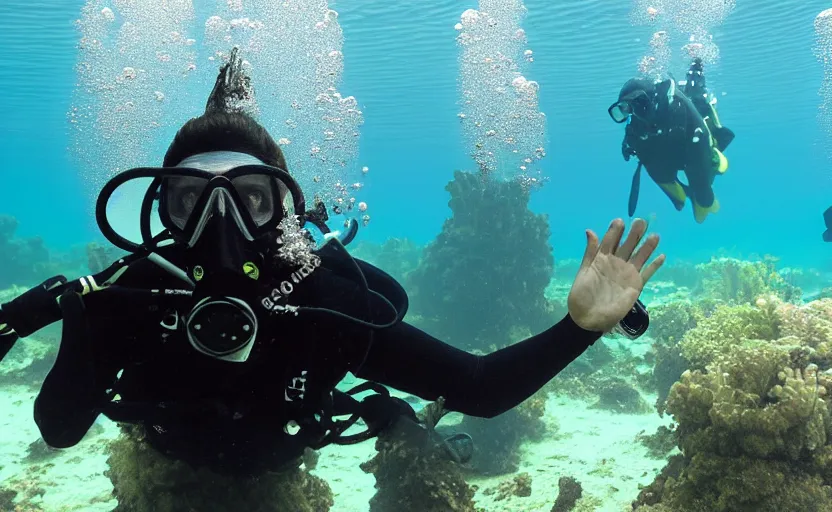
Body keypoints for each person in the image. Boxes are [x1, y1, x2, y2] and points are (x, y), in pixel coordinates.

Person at [0, 51, 666, 479]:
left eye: (251, 200)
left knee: (384, 409)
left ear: (284, 210)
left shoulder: (320, 294)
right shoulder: (135, 293)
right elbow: (59, 431)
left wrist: (579, 326)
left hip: (286, 452)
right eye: (193, 200)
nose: (221, 225)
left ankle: (392, 421)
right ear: (165, 209)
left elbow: (481, 388)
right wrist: (83, 329)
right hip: (171, 460)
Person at [608, 57, 736, 223]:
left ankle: (715, 161)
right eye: (627, 109)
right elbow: (635, 141)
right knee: (676, 192)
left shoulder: (678, 108)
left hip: (693, 147)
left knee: (704, 200)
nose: (635, 112)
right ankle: (688, 196)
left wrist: (703, 174)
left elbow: (700, 137)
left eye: (639, 103)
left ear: (651, 99)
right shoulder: (637, 121)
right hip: (667, 152)